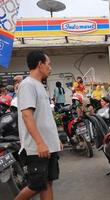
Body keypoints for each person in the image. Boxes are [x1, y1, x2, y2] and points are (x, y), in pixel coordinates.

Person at [15, 50, 62, 200]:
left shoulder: (39, 85)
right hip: (36, 148)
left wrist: (55, 140)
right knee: (36, 185)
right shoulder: (27, 85)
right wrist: (40, 143)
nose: (50, 67)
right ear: (40, 64)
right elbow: (27, 116)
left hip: (48, 145)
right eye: (48, 64)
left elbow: (44, 118)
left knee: (47, 183)